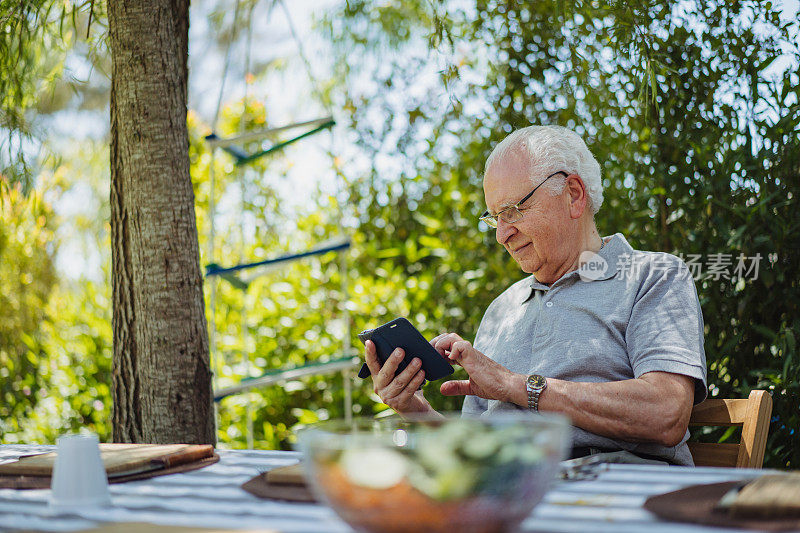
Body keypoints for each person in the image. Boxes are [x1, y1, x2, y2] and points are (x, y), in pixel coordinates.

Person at [363, 125, 707, 466]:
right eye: (495, 218)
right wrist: (416, 410)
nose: (502, 235)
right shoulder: (502, 309)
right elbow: (473, 455)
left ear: (573, 194)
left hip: (610, 490)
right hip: (508, 489)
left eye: (512, 211)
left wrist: (514, 385)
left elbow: (666, 412)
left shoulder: (653, 275)